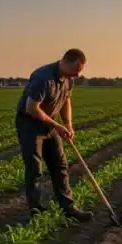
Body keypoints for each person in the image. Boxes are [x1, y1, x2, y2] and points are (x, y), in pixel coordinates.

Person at [15, 48, 94, 222]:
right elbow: (32, 108)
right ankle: (35, 211)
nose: (76, 75)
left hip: (50, 124)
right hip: (30, 124)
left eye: (79, 72)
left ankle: (68, 208)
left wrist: (68, 125)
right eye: (75, 70)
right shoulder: (43, 78)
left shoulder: (68, 79)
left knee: (60, 165)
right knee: (34, 169)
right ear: (65, 61)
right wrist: (56, 125)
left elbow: (66, 100)